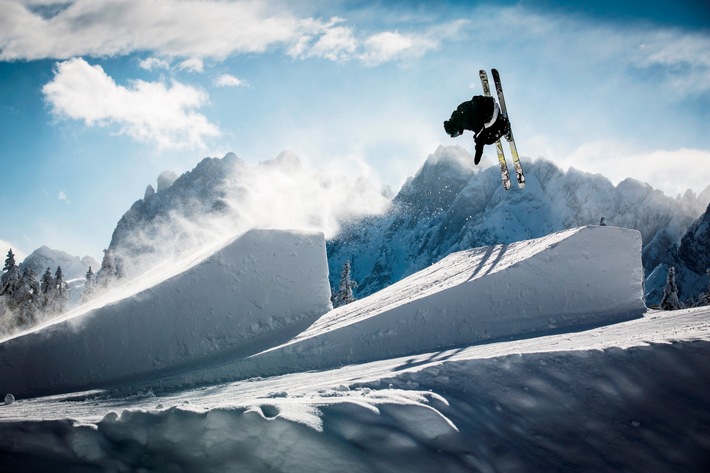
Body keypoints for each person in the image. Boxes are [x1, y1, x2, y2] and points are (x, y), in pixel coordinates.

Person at [443, 95, 510, 165]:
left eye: (455, 134)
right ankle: (499, 122)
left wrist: (478, 152)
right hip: (486, 102)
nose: (458, 134)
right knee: (485, 129)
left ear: (455, 128)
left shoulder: (464, 122)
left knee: (487, 139)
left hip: (491, 110)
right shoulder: (458, 113)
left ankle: (504, 126)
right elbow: (476, 122)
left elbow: (480, 133)